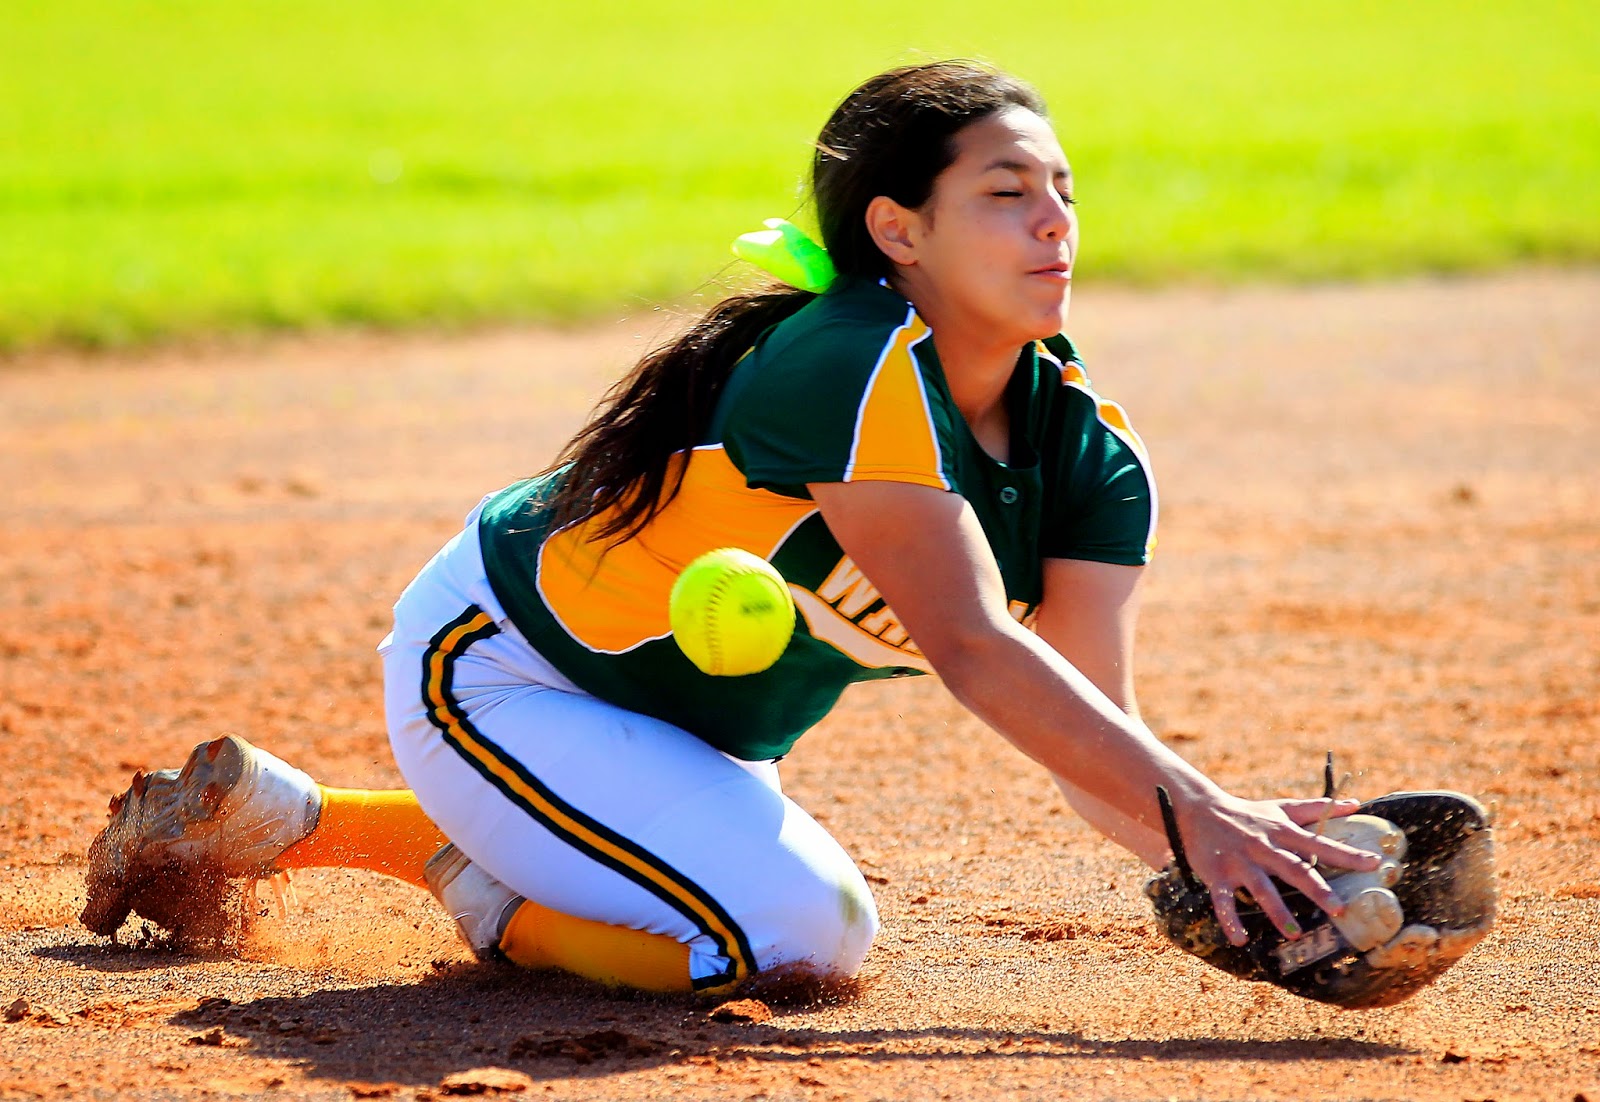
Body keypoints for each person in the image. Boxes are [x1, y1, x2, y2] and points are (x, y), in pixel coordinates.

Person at [82, 60, 1381, 995]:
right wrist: (1199, 811)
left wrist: (1246, 860)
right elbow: (979, 650)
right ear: (898, 229)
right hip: (505, 674)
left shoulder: (1088, 449)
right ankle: (458, 865)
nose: (1054, 221)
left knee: (803, 923)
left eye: (1065, 190)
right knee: (802, 939)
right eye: (1005, 192)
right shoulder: (851, 362)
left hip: (678, 738)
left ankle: (336, 821)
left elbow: (1090, 735)